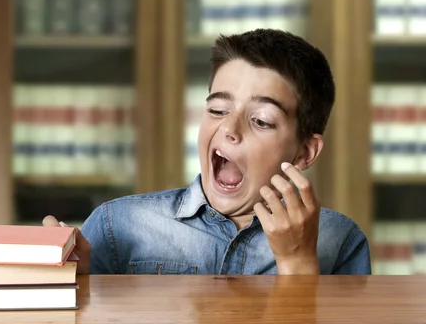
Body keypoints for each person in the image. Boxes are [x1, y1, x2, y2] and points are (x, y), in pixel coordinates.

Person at [43, 29, 371, 275]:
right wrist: (73, 289)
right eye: (217, 109)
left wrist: (297, 262)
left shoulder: (340, 241)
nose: (230, 128)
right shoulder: (117, 226)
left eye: (261, 120)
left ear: (305, 152)